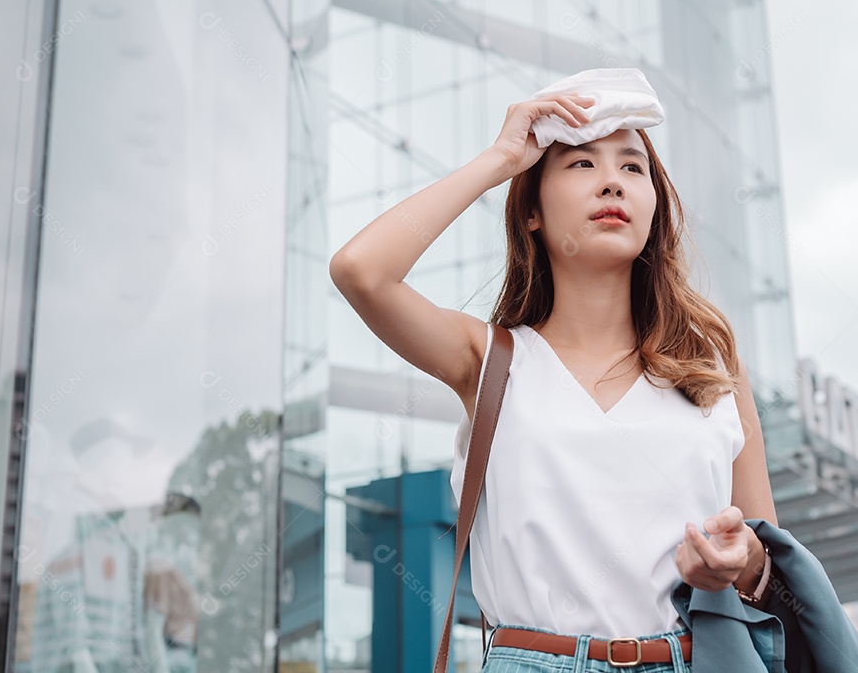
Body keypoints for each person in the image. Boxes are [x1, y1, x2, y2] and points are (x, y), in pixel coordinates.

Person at [329, 78, 779, 672]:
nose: (612, 179)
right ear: (534, 212)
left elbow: (767, 560)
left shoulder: (713, 365)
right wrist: (500, 161)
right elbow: (361, 271)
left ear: (653, 205)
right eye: (582, 162)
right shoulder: (490, 359)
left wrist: (735, 561)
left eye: (633, 166)